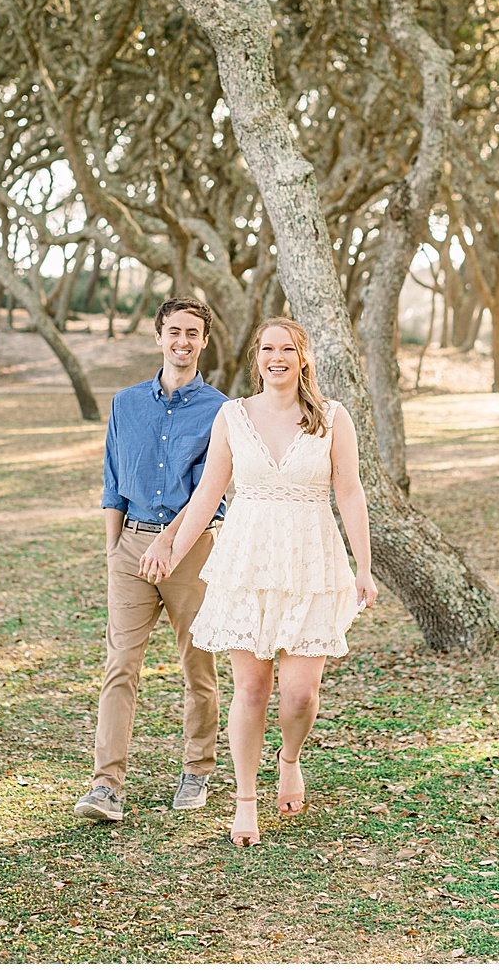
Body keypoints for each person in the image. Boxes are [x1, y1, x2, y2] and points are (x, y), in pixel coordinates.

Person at [163, 318, 378, 846]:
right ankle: (244, 801)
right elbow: (209, 491)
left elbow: (349, 492)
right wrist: (173, 549)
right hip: (248, 563)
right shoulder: (233, 416)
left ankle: (290, 760)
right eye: (267, 349)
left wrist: (364, 566)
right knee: (252, 688)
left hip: (311, 561)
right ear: (256, 356)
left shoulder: (332, 418)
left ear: (303, 357)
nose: (276, 357)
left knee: (301, 695)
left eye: (287, 349)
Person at [73, 297, 228, 823]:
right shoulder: (125, 403)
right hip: (132, 547)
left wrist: (171, 544)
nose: (183, 341)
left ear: (204, 342)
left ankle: (197, 769)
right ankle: (105, 784)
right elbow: (113, 482)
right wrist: (116, 549)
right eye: (174, 331)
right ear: (158, 336)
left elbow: (214, 490)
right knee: (120, 666)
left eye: (193, 333)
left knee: (197, 665)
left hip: (193, 549)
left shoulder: (222, 411)